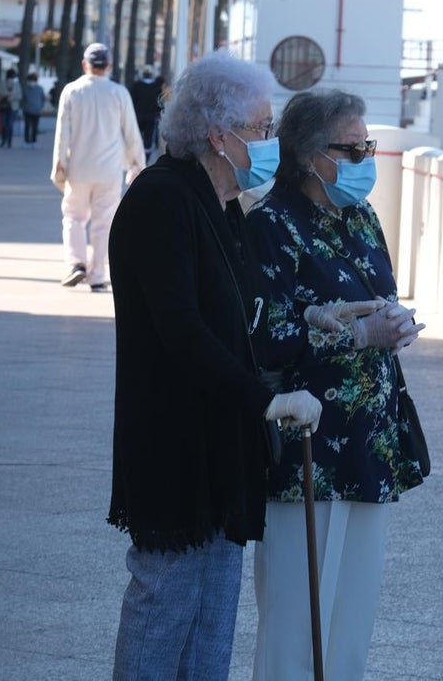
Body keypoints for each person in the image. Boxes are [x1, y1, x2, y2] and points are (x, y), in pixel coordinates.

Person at [107, 51, 324, 681]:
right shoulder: (162, 199)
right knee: (165, 604)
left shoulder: (224, 203)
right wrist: (262, 398)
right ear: (216, 134)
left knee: (212, 615)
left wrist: (319, 320)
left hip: (224, 440)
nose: (269, 142)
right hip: (174, 437)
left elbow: (244, 313)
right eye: (260, 130)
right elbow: (180, 328)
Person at [244, 89, 427, 681]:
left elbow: (377, 297)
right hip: (307, 447)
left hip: (369, 443)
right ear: (307, 154)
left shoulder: (361, 217)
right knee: (297, 616)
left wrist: (392, 323)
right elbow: (266, 337)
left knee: (353, 611)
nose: (365, 158)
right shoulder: (270, 226)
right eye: (353, 148)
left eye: (368, 146)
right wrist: (353, 335)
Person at [51, 42, 145, 292]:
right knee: (105, 223)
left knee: (73, 218)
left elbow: (62, 134)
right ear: (109, 65)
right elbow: (131, 133)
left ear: (85, 64)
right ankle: (97, 275)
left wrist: (59, 167)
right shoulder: (119, 93)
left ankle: (75, 264)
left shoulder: (71, 91)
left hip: (78, 169)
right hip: (110, 171)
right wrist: (138, 164)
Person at [127, 65, 163, 159]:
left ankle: (136, 155)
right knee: (148, 137)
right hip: (150, 117)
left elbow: (132, 100)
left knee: (137, 135)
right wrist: (159, 113)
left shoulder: (137, 85)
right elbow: (159, 102)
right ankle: (146, 157)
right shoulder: (156, 87)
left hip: (138, 116)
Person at [20, 72, 46, 149]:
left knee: (34, 127)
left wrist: (40, 106)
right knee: (27, 127)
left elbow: (43, 99)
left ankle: (34, 141)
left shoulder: (39, 89)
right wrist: (23, 107)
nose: (31, 82)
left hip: (36, 111)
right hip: (27, 110)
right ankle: (26, 141)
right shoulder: (26, 89)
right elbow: (23, 99)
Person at [0, 69, 20, 148]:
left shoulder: (17, 84)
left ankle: (9, 141)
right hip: (4, 106)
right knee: (3, 124)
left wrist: (12, 97)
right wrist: (6, 95)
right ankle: (3, 140)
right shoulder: (2, 83)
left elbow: (20, 95)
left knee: (10, 124)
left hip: (13, 107)